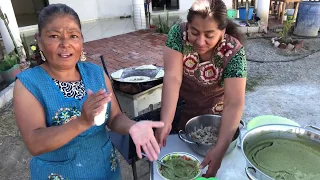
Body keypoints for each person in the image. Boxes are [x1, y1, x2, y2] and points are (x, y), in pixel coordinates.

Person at [13, 4, 163, 180]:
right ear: (39, 40)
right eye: (54, 36)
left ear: (81, 40)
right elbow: (35, 142)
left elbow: (114, 118)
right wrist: (82, 122)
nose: (65, 44)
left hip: (105, 170)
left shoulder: (95, 73)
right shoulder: (29, 84)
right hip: (60, 174)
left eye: (73, 36)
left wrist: (133, 126)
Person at [155, 0, 247, 177]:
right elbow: (173, 78)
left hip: (216, 118)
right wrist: (165, 122)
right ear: (188, 26)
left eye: (209, 35)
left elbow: (234, 103)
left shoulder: (234, 51)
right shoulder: (177, 34)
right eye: (194, 32)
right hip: (180, 109)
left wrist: (220, 148)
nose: (200, 41)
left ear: (223, 31)